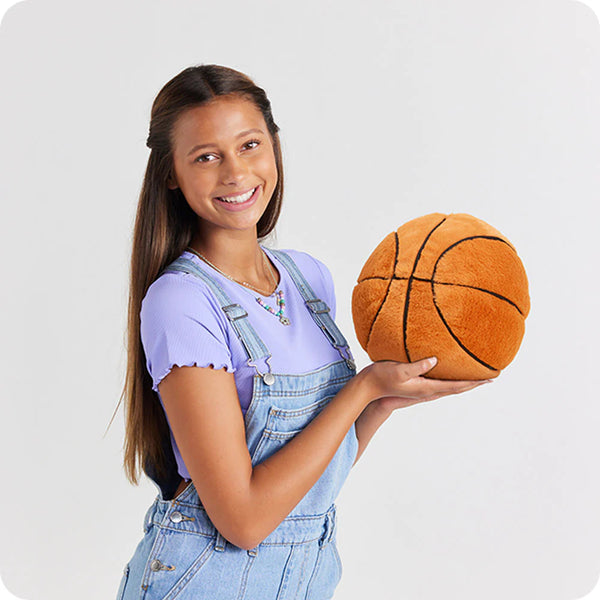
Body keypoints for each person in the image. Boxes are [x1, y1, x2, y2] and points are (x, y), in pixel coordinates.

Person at [112, 64, 489, 600]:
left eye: (249, 145)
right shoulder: (181, 302)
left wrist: (385, 400)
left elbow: (312, 474)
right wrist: (363, 388)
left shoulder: (308, 278)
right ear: (171, 172)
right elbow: (243, 520)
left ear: (274, 145)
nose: (235, 174)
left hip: (307, 579)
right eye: (206, 156)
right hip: (206, 581)